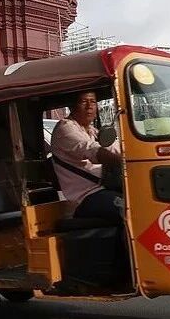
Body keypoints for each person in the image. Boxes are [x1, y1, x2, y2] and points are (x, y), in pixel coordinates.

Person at [50, 90, 123, 224]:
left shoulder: (93, 131)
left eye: (93, 102)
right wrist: (122, 162)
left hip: (104, 189)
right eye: (84, 101)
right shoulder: (65, 128)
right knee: (129, 210)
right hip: (85, 197)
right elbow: (92, 150)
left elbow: (115, 149)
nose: (89, 106)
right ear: (72, 106)